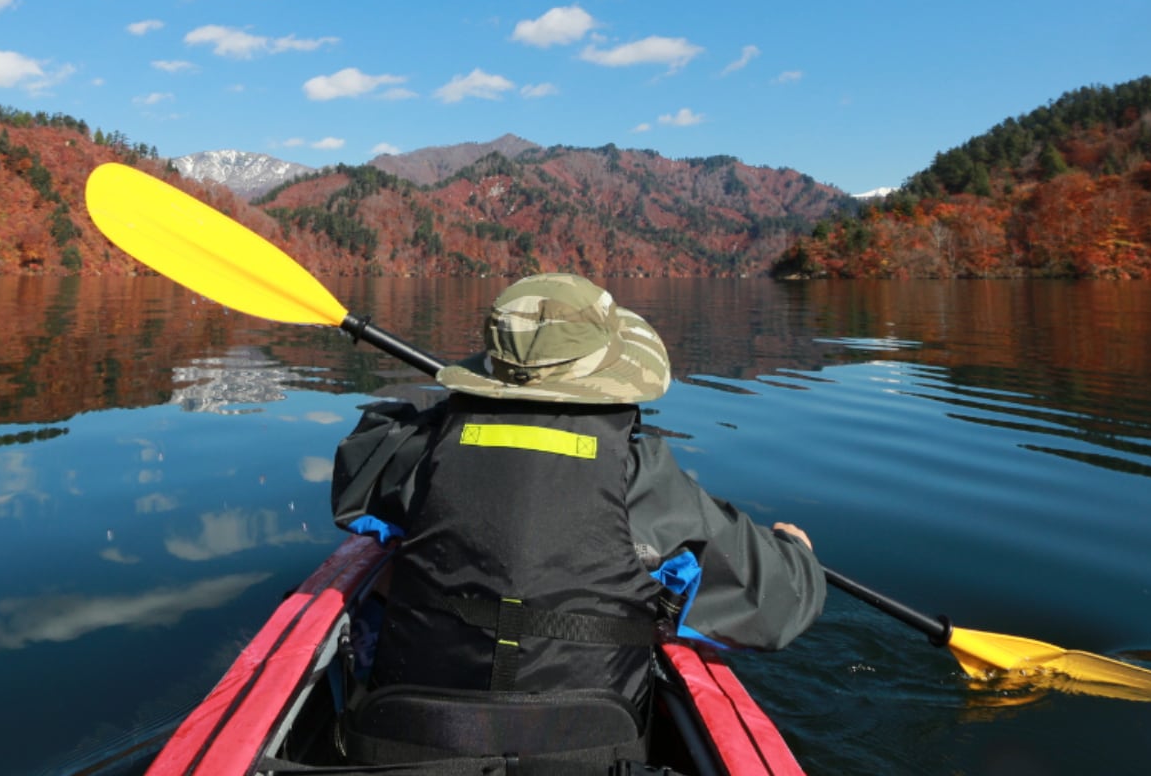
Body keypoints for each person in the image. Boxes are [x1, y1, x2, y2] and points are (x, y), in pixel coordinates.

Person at [329, 272, 825, 769]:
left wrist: (445, 417)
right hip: (592, 753)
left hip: (410, 746)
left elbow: (358, 460)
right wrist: (795, 552)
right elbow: (779, 607)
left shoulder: (415, 453)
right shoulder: (641, 479)